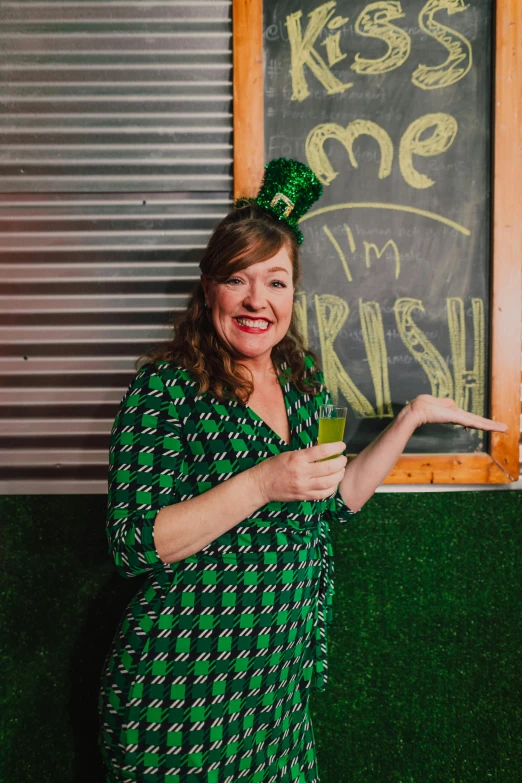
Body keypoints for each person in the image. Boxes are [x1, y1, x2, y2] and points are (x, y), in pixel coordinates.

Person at [98, 158, 507, 783]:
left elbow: (332, 497)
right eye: (238, 279)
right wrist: (263, 482)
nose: (257, 300)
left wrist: (409, 420)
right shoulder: (163, 388)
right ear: (208, 287)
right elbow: (131, 544)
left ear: (295, 292)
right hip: (183, 683)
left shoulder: (307, 382)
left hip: (277, 691)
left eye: (277, 282)